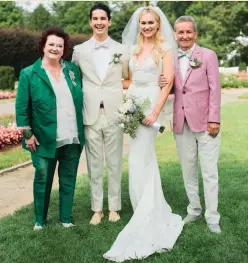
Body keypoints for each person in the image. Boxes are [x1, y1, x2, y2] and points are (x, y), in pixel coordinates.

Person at [103, 7, 184, 262]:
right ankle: (141, 208)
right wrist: (128, 96)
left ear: (158, 24)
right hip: (133, 105)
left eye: (151, 22)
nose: (147, 26)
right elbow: (128, 80)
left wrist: (156, 112)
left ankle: (149, 213)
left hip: (150, 107)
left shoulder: (165, 50)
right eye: (143, 23)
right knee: (135, 159)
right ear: (139, 25)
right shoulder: (134, 50)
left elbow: (168, 82)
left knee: (143, 158)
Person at [15, 27, 85, 230]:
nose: (55, 48)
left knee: (68, 177)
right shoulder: (29, 73)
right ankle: (40, 220)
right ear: (43, 47)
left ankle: (66, 218)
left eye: (60, 45)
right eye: (51, 44)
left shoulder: (72, 71)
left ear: (65, 49)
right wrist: (27, 134)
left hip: (72, 134)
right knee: (43, 178)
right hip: (43, 137)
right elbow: (21, 106)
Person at [72, 3, 129, 225]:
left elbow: (126, 76)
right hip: (90, 114)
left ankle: (114, 207)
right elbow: (76, 79)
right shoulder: (80, 51)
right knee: (94, 163)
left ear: (109, 22)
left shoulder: (122, 50)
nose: (99, 22)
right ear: (90, 22)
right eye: (95, 18)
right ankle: (97, 208)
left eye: (103, 18)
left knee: (114, 162)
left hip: (115, 113)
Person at [173, 16, 221, 233]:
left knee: (209, 172)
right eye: (180, 32)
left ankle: (212, 217)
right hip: (181, 123)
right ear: (175, 34)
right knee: (188, 170)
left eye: (188, 32)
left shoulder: (208, 55)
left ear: (195, 34)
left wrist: (214, 118)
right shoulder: (170, 57)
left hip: (205, 123)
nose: (184, 36)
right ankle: (194, 209)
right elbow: (172, 88)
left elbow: (215, 89)